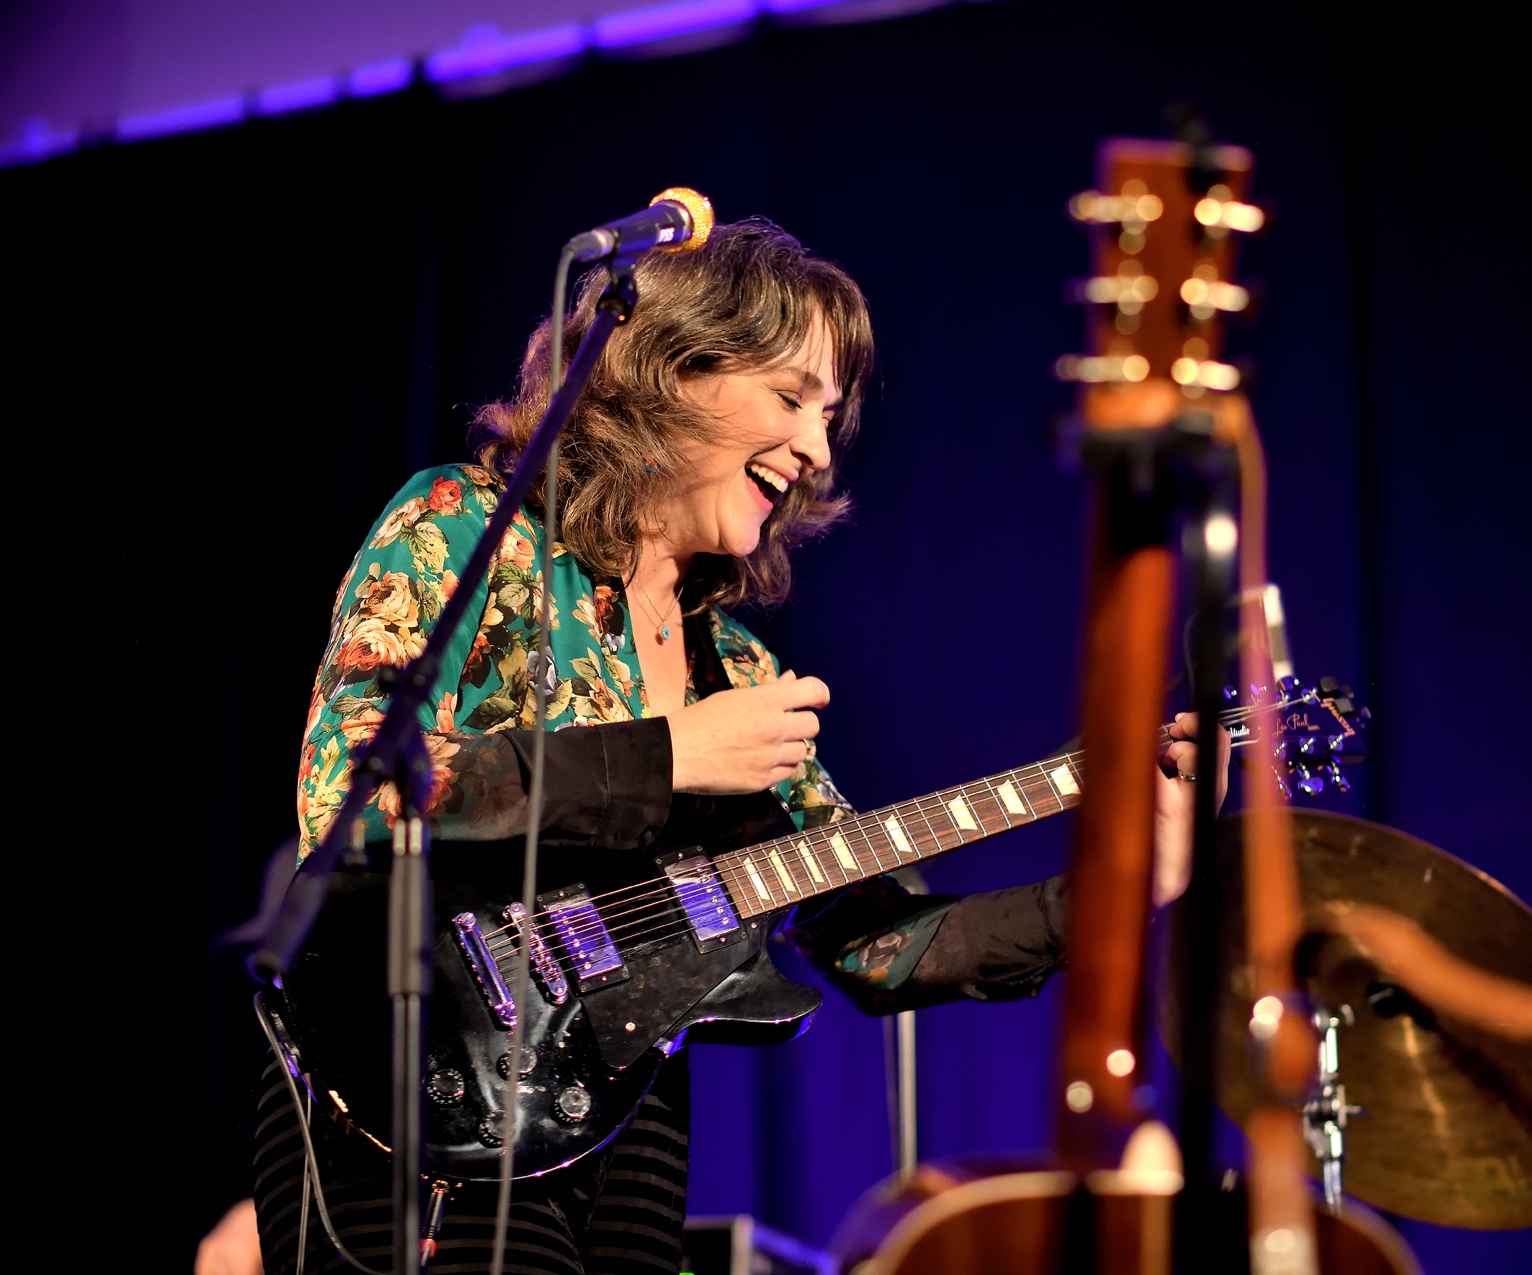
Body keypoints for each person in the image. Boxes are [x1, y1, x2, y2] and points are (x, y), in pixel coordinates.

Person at [236, 218, 1223, 1275]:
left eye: (829, 417)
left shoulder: (739, 673)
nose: (816, 449)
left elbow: (874, 941)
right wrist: (667, 756)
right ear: (675, 371)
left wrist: (1119, 884)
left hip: (629, 1114)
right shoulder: (468, 527)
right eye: (792, 398)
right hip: (411, 1061)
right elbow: (352, 789)